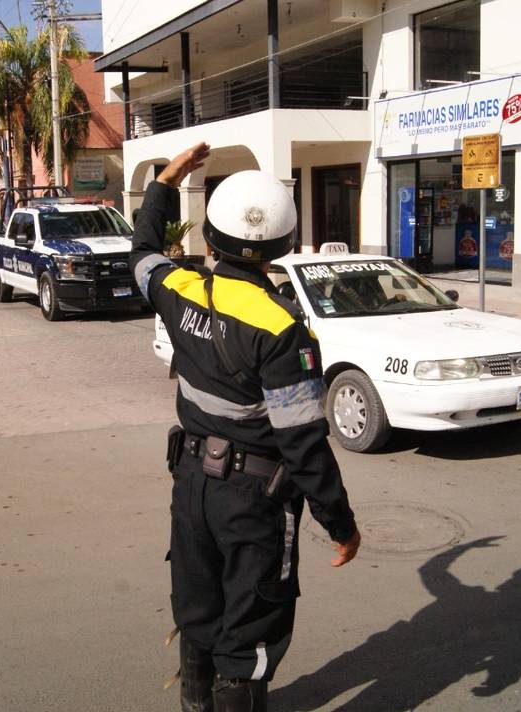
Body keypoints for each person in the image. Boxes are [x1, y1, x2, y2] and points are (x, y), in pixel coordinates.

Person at [130, 143, 361, 712]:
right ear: (283, 247)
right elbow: (303, 443)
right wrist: (340, 523)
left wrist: (166, 180)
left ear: (210, 240)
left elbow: (140, 251)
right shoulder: (281, 326)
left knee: (199, 613)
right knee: (250, 634)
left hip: (191, 490)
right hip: (255, 503)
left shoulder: (177, 289)